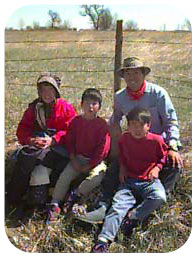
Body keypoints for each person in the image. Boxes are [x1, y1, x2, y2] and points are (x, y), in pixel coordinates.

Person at [75, 56, 183, 224]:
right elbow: (114, 120)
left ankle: (150, 208)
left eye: (136, 73)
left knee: (175, 166)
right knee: (113, 170)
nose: (132, 77)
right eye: (128, 73)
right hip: (133, 144)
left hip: (157, 146)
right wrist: (116, 143)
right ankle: (103, 206)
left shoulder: (158, 94)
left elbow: (171, 121)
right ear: (123, 76)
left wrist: (173, 146)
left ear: (143, 74)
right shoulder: (120, 97)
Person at [91, 107, 168, 252]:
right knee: (117, 207)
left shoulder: (156, 140)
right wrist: (122, 168)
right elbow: (122, 156)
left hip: (149, 180)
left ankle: (133, 217)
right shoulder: (125, 139)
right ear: (128, 126)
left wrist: (157, 168)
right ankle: (103, 240)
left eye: (141, 125)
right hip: (129, 181)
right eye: (133, 125)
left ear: (148, 126)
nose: (137, 129)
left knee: (159, 197)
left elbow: (163, 156)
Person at [6, 73, 76, 210]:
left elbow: (71, 131)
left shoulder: (66, 108)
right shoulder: (34, 108)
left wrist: (53, 140)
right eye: (43, 90)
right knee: (29, 155)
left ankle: (14, 196)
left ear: (56, 91)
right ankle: (17, 198)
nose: (47, 94)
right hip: (38, 146)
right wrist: (31, 140)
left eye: (50, 89)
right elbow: (22, 130)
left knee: (28, 156)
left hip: (59, 148)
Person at [47, 88, 111, 222]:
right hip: (77, 158)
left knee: (96, 178)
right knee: (64, 177)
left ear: (99, 106)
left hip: (95, 161)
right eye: (87, 103)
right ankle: (55, 203)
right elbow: (70, 142)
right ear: (81, 104)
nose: (90, 107)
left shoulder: (102, 125)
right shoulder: (75, 122)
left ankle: (76, 194)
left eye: (94, 103)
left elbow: (102, 149)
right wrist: (73, 158)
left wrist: (90, 165)